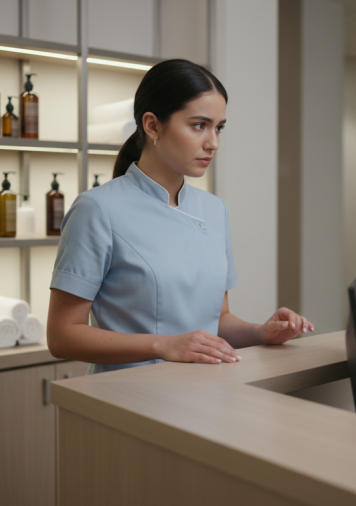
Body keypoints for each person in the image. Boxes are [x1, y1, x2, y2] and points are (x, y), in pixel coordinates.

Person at [47, 59, 313, 373]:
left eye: (218, 128)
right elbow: (62, 335)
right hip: (131, 393)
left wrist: (261, 333)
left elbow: (218, 320)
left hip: (207, 390)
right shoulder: (96, 209)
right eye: (199, 125)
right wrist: (163, 345)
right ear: (152, 125)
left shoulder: (213, 209)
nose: (213, 143)